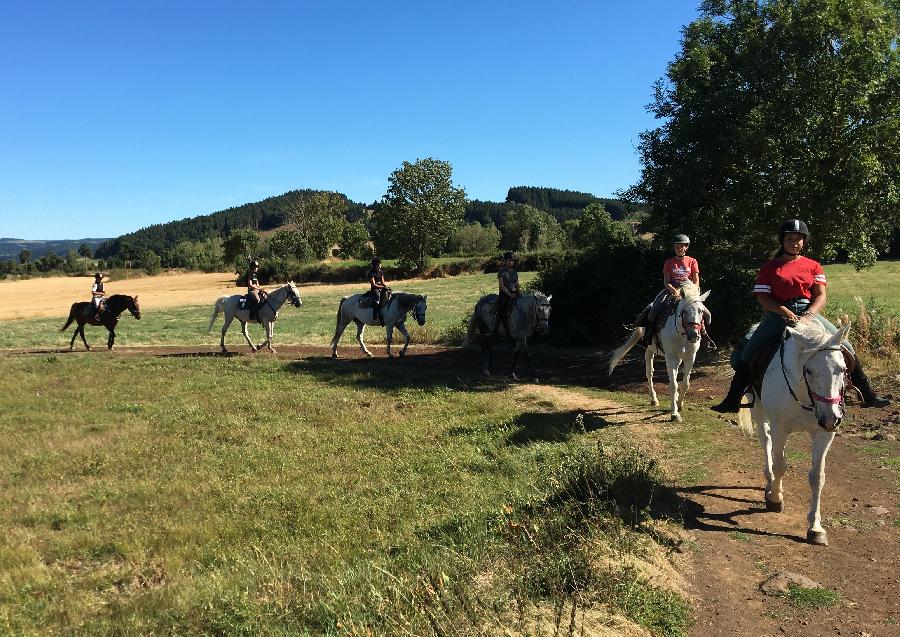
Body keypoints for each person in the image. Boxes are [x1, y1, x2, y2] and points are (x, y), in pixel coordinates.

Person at [712, 219, 890, 412]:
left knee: (846, 346)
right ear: (782, 240)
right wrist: (784, 311)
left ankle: (868, 395)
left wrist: (809, 314)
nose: (794, 242)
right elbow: (763, 298)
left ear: (804, 241)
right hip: (778, 313)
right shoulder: (769, 267)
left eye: (798, 239)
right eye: (790, 238)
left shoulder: (813, 265)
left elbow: (820, 295)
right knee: (747, 353)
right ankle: (732, 401)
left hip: (807, 311)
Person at [636, 234, 702, 346]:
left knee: (706, 313)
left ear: (686, 247)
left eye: (682, 246)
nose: (679, 248)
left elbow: (696, 281)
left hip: (689, 292)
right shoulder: (669, 262)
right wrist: (673, 290)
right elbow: (666, 282)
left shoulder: (692, 261)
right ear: (674, 247)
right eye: (677, 246)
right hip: (672, 290)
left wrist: (692, 291)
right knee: (654, 309)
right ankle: (648, 335)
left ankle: (705, 338)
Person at [493, 251, 521, 337]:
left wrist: (520, 293)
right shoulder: (501, 271)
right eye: (509, 260)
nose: (511, 262)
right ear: (505, 261)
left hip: (513, 293)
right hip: (504, 294)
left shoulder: (514, 272)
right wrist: (510, 295)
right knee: (501, 311)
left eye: (512, 261)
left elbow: (517, 284)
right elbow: (502, 286)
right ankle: (495, 330)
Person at [368, 258, 389, 324]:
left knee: (389, 294)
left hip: (381, 287)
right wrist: (382, 287)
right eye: (379, 265)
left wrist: (386, 287)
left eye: (380, 265)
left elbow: (383, 282)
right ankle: (375, 315)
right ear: (375, 266)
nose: (380, 266)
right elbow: (373, 285)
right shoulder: (371, 273)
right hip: (375, 289)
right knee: (377, 297)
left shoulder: (381, 272)